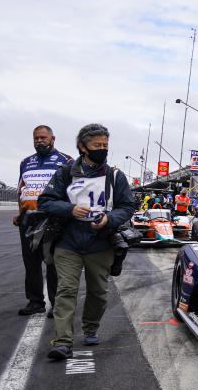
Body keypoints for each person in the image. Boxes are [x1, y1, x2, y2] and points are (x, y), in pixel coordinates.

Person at [37, 123, 135, 360]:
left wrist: (108, 219)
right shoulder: (65, 172)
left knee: (98, 292)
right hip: (67, 242)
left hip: (100, 242)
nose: (102, 149)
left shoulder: (115, 175)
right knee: (66, 290)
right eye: (96, 145)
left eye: (105, 145)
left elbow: (127, 206)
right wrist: (70, 209)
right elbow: (45, 202)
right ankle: (63, 342)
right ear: (82, 147)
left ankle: (91, 326)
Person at [13, 125, 71, 316]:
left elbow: (73, 190)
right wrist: (20, 212)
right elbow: (22, 189)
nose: (39, 141)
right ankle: (35, 301)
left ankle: (56, 304)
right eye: (36, 138)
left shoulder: (67, 161)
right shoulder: (26, 162)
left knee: (53, 264)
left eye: (43, 138)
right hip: (28, 218)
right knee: (30, 263)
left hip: (53, 219)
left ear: (52, 139)